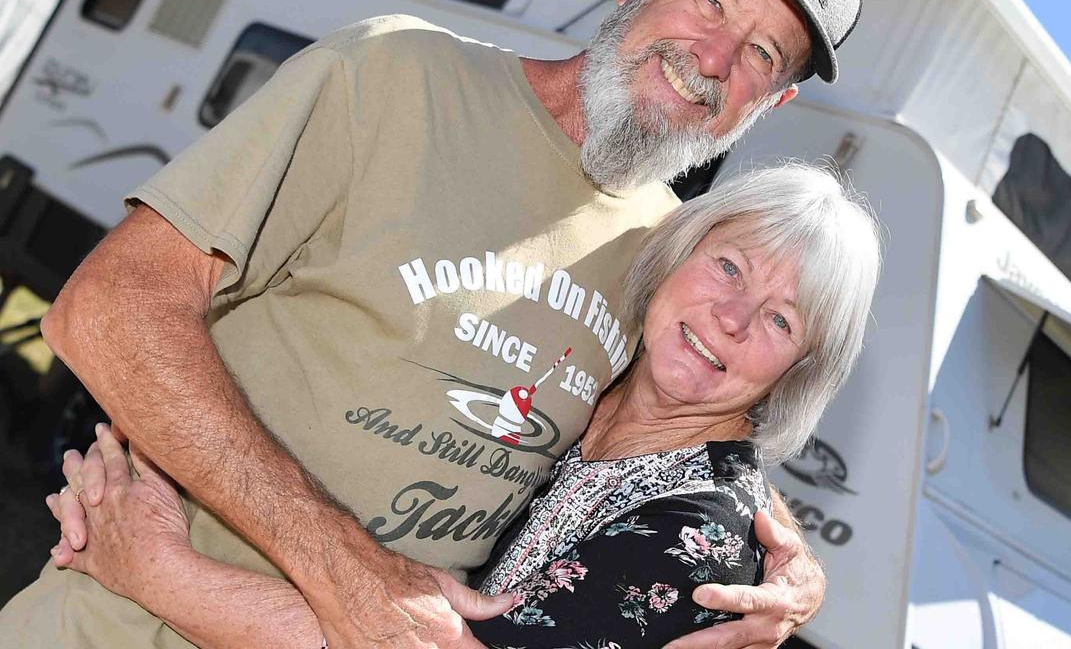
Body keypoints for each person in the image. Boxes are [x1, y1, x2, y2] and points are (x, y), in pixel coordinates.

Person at [1, 0, 864, 646]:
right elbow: (107, 308)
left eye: (759, 52)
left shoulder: (667, 252)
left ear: (771, 104)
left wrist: (779, 558)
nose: (713, 57)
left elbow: (682, 417)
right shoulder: (394, 78)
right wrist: (341, 561)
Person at [42, 165, 881, 648]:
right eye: (729, 268)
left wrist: (158, 569)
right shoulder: (606, 377)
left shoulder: (693, 540)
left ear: (797, 371)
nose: (731, 318)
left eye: (780, 319)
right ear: (677, 252)